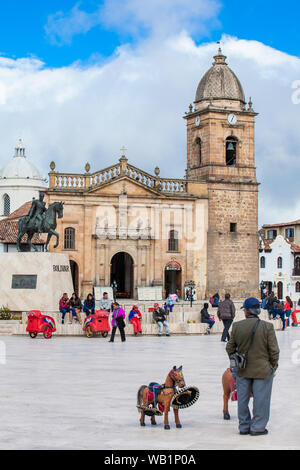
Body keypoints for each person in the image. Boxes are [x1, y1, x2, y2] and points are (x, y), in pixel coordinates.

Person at [226, 297, 280, 436]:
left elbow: (230, 348)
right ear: (257, 311)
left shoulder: (237, 326)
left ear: (246, 312)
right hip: (263, 370)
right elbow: (274, 350)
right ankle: (257, 427)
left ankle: (244, 426)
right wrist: (272, 367)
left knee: (242, 399)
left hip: (243, 370)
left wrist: (236, 361)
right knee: (261, 399)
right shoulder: (267, 327)